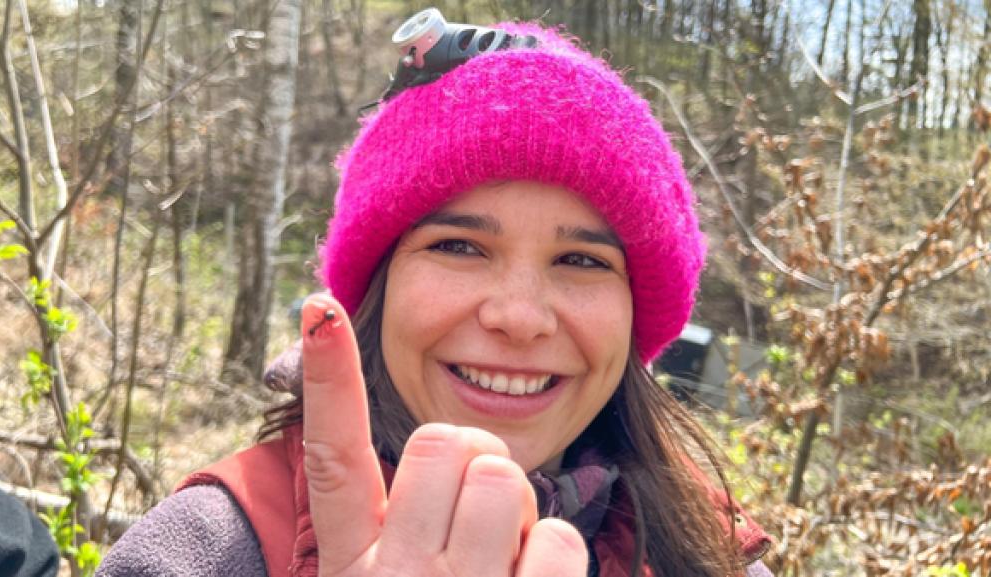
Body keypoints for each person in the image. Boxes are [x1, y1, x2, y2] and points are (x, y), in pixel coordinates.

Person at [97, 9, 773, 577]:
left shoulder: (717, 549)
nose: (518, 316)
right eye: (458, 246)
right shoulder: (208, 548)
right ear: (378, 287)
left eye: (581, 259)